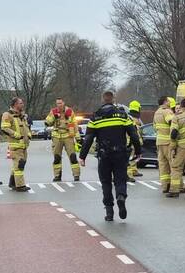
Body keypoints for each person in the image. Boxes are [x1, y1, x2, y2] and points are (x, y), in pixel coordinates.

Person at [78, 92, 142, 221]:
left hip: (104, 155)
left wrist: (82, 156)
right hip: (120, 154)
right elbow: (134, 135)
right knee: (120, 179)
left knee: (106, 183)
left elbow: (88, 139)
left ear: (103, 100)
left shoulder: (96, 117)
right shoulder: (123, 115)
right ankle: (121, 197)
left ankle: (109, 212)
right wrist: (138, 151)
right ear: (113, 100)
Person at [45, 97, 81, 182]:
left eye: (60, 103)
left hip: (68, 135)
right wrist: (53, 116)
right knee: (57, 157)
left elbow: (75, 124)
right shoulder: (53, 111)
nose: (59, 105)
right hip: (57, 136)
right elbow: (48, 122)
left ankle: (76, 175)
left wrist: (78, 137)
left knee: (72, 156)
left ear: (63, 103)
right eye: (57, 103)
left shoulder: (69, 111)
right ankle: (57, 175)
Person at [0, 97, 31, 192]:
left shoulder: (22, 115)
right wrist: (15, 135)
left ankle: (12, 183)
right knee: (19, 164)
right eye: (20, 103)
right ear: (15, 105)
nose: (22, 104)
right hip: (16, 145)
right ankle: (20, 185)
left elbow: (26, 127)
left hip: (24, 145)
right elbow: (4, 128)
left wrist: (29, 134)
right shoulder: (8, 115)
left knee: (19, 164)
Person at [153, 96, 177, 193]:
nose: (169, 103)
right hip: (168, 142)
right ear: (165, 101)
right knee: (173, 164)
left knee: (163, 165)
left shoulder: (156, 112)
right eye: (168, 101)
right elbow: (172, 122)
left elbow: (155, 127)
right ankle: (174, 186)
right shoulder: (166, 111)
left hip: (159, 141)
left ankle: (165, 186)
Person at [126, 100, 143, 183]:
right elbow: (135, 131)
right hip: (131, 141)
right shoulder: (133, 119)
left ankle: (133, 171)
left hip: (132, 140)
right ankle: (129, 175)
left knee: (133, 158)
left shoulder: (131, 117)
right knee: (130, 158)